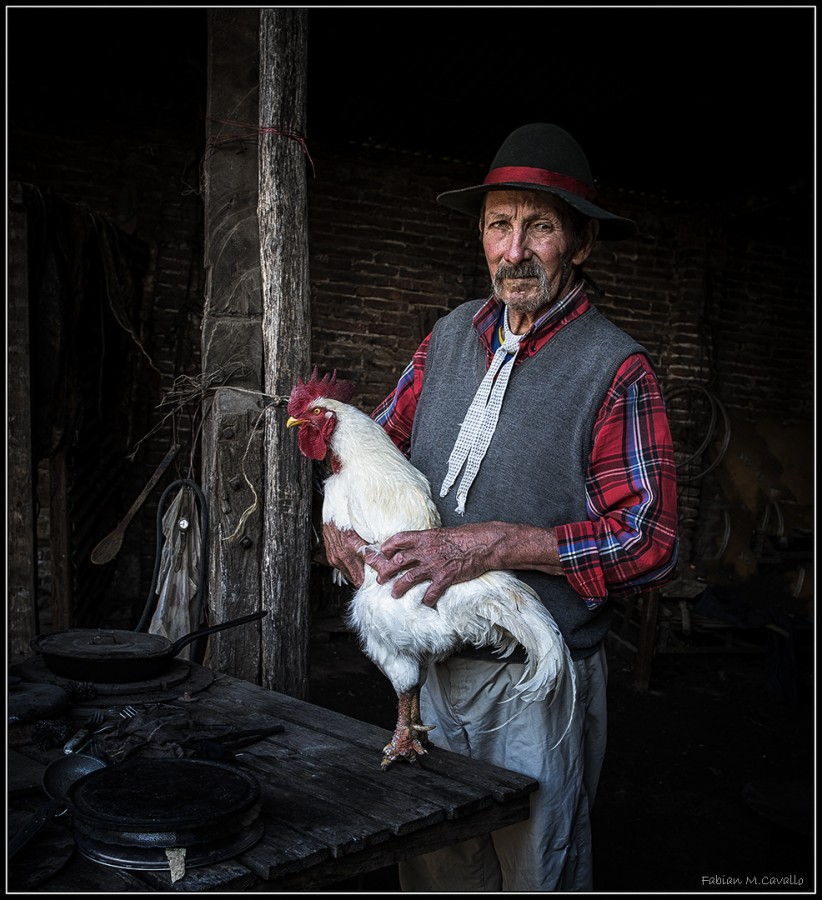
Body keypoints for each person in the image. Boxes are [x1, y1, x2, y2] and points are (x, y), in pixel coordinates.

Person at [322, 122, 679, 892]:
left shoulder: (616, 369)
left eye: (540, 227)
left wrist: (498, 544)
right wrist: (337, 518)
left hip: (533, 682)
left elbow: (651, 541)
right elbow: (373, 441)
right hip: (431, 674)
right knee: (435, 864)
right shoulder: (450, 337)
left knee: (531, 874)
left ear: (580, 245)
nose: (515, 250)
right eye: (499, 224)